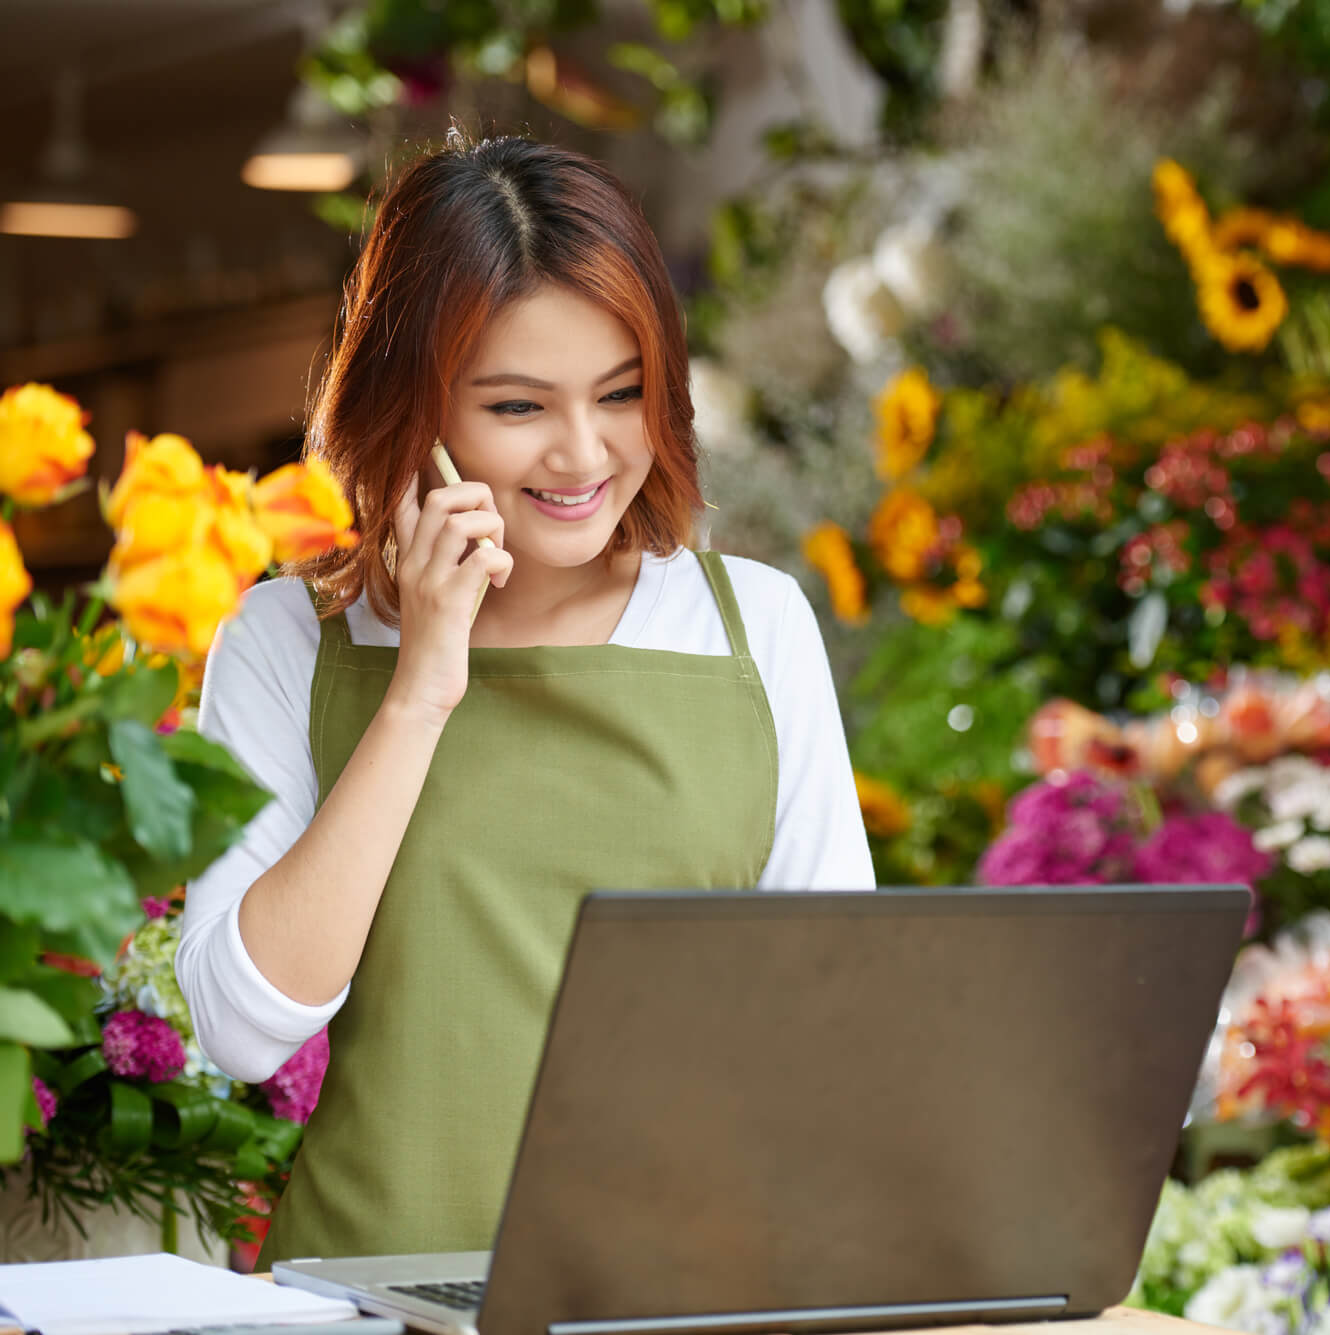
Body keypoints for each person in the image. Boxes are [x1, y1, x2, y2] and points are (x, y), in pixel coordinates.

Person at [175, 131, 875, 1267]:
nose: (584, 452)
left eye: (621, 392)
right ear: (416, 407)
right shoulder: (285, 643)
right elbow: (239, 1030)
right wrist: (419, 692)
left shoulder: (754, 629)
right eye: (517, 408)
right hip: (372, 1295)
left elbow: (836, 1025)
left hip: (678, 1299)